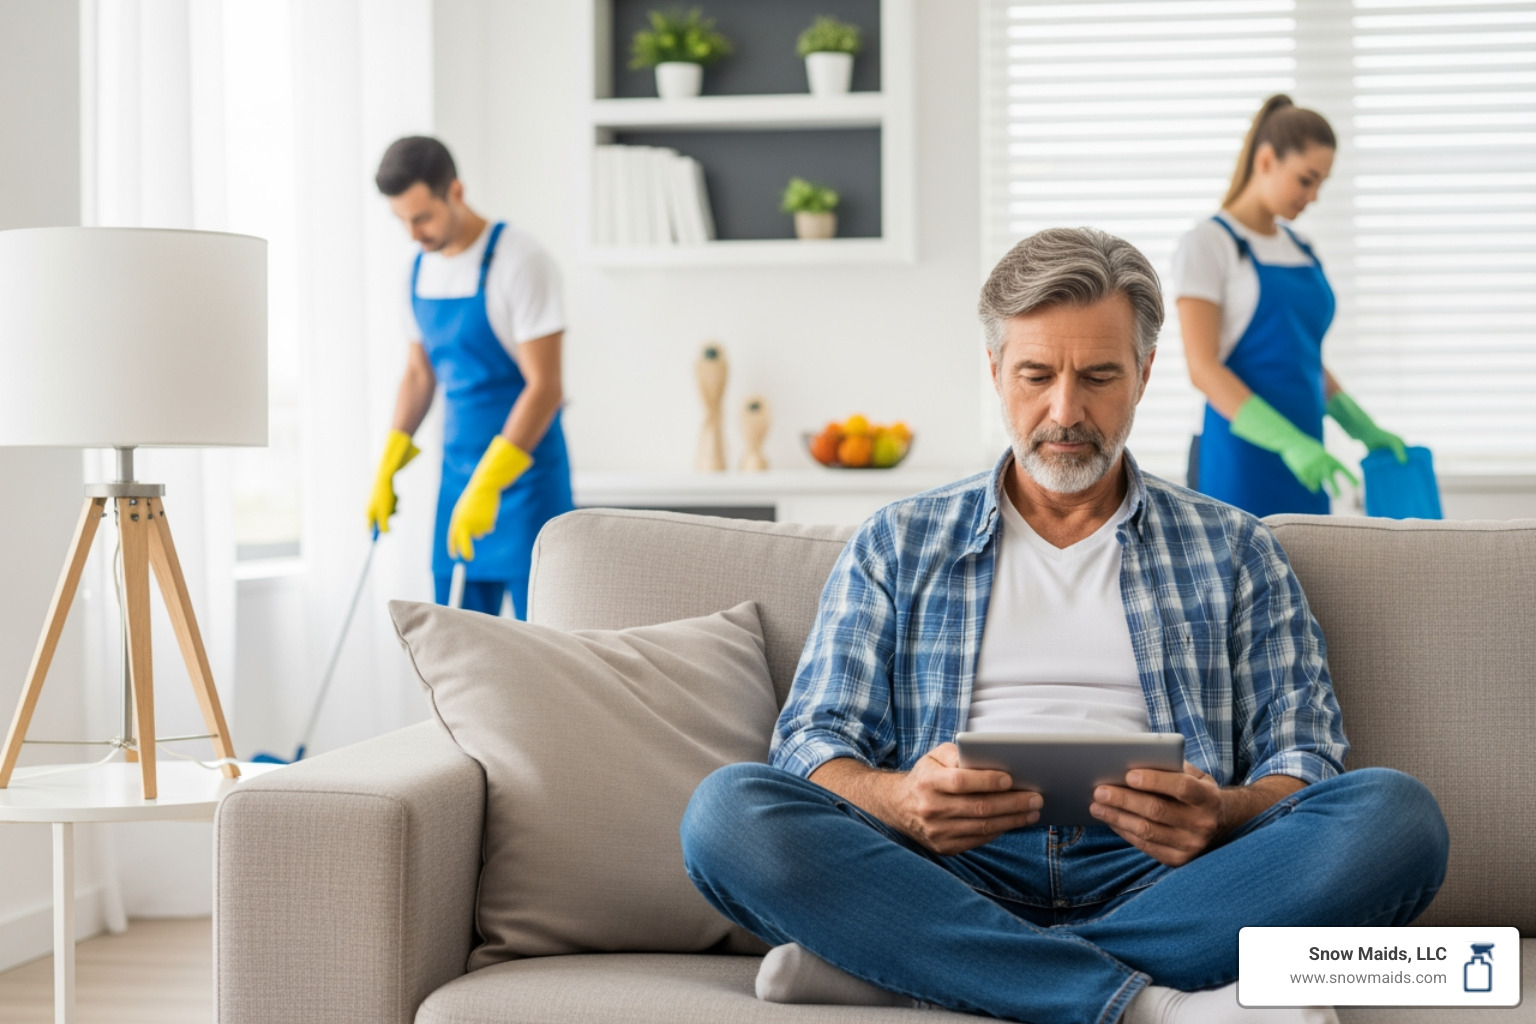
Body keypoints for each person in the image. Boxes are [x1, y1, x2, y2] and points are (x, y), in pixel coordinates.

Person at [680, 228, 1448, 1024]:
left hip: (1170, 877)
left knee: (1398, 820)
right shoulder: (897, 544)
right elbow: (811, 744)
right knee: (728, 813)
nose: (1065, 411)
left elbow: (1304, 757)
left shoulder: (1238, 550)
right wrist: (905, 798)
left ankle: (920, 967)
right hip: (941, 870)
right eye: (1036, 375)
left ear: (1145, 374)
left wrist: (1219, 812)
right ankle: (1158, 1007)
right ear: (995, 372)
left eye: (1100, 376)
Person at [366, 136, 573, 617]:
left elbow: (545, 387)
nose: (414, 234)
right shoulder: (418, 270)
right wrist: (390, 460)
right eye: (402, 221)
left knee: (543, 645)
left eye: (422, 217)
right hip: (458, 479)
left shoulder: (520, 261)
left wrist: (491, 483)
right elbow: (420, 374)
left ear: (455, 191)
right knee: (457, 643)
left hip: (525, 484)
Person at [1173, 95, 1407, 518]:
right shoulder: (1209, 244)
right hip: (1238, 456)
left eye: (1322, 183)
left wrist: (1361, 427)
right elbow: (1203, 368)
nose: (1314, 195)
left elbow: (1306, 359)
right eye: (1306, 179)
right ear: (1266, 160)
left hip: (1307, 458)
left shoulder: (1302, 249)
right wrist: (1288, 442)